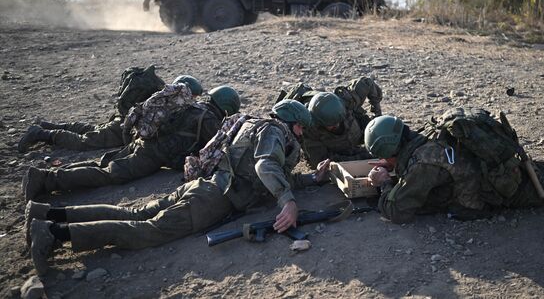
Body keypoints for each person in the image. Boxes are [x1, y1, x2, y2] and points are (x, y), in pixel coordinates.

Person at [25, 99, 330, 275]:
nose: (302, 133)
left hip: (204, 185)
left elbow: (261, 170)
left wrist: (309, 179)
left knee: (132, 212)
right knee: (146, 231)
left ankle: (47, 212)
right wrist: (288, 201)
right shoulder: (276, 133)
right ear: (292, 122)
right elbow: (266, 166)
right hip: (213, 199)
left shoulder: (253, 124)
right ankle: (52, 233)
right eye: (302, 127)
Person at [363, 110, 544, 224]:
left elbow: (398, 211)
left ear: (389, 151)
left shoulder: (422, 164)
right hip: (508, 164)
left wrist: (384, 183)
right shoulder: (427, 134)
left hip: (508, 188)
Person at [22, 82, 241, 201]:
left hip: (142, 138)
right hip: (152, 154)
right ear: (228, 108)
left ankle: (48, 175)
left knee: (102, 163)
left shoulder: (192, 105)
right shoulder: (210, 120)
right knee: (110, 173)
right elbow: (213, 152)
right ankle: (46, 180)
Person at [15, 71, 200, 153]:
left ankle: (51, 126)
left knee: (93, 129)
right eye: (196, 95)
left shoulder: (165, 96)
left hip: (124, 119)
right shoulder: (176, 103)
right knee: (85, 142)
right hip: (126, 126)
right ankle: (40, 133)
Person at [279, 76, 383, 168]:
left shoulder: (345, 100)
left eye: (339, 121)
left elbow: (367, 83)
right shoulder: (309, 128)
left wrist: (377, 115)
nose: (337, 126)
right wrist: (362, 156)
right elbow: (320, 162)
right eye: (331, 125)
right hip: (336, 148)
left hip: (354, 134)